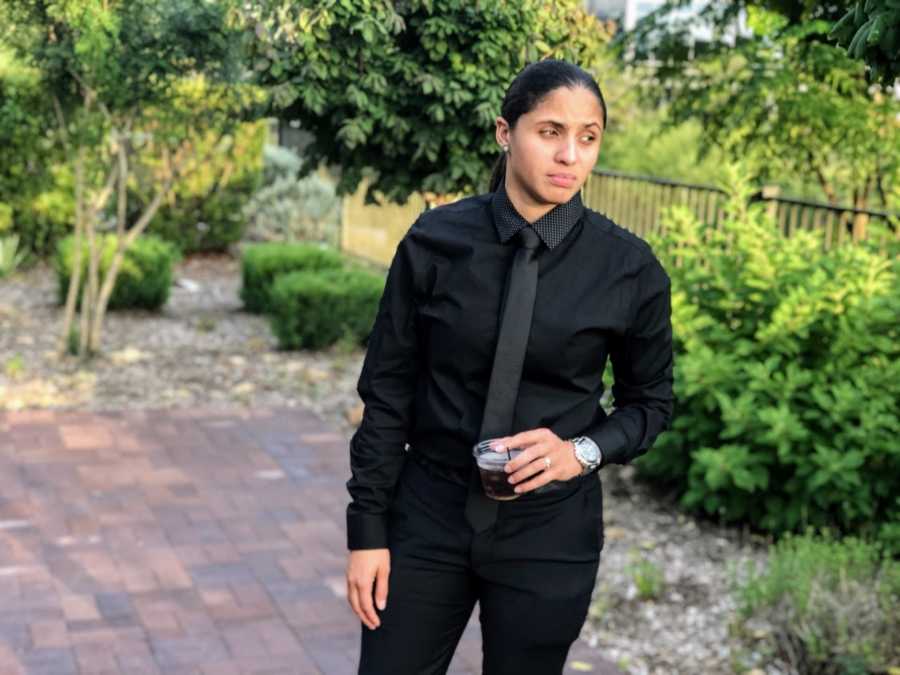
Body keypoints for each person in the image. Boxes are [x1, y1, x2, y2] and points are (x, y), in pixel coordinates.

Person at [344, 58, 675, 675]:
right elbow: (387, 393)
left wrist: (579, 451)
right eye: (550, 131)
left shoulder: (630, 270)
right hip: (428, 516)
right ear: (506, 132)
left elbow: (650, 406)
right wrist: (367, 530)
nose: (570, 155)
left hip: (550, 533)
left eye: (588, 136)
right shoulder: (433, 241)